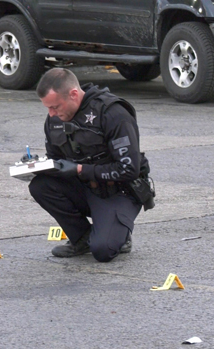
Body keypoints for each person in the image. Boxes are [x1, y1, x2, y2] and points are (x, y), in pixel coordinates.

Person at [29, 68, 152, 263]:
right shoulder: (55, 119)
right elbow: (55, 158)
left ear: (74, 94)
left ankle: (119, 234)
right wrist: (35, 166)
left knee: (103, 251)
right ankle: (82, 238)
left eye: (56, 106)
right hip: (86, 187)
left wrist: (80, 170)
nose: (52, 113)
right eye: (48, 108)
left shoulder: (112, 113)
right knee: (40, 185)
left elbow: (128, 170)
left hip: (119, 190)